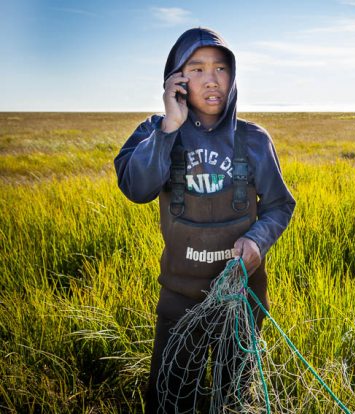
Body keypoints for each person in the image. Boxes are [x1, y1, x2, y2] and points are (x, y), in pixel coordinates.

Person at [114, 27, 296, 412]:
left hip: (242, 296)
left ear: (233, 76)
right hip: (180, 299)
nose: (212, 80)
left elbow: (280, 204)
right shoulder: (155, 131)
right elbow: (136, 188)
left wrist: (258, 240)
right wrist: (169, 128)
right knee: (172, 398)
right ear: (176, 80)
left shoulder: (254, 140)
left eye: (221, 68)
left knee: (232, 395)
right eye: (196, 69)